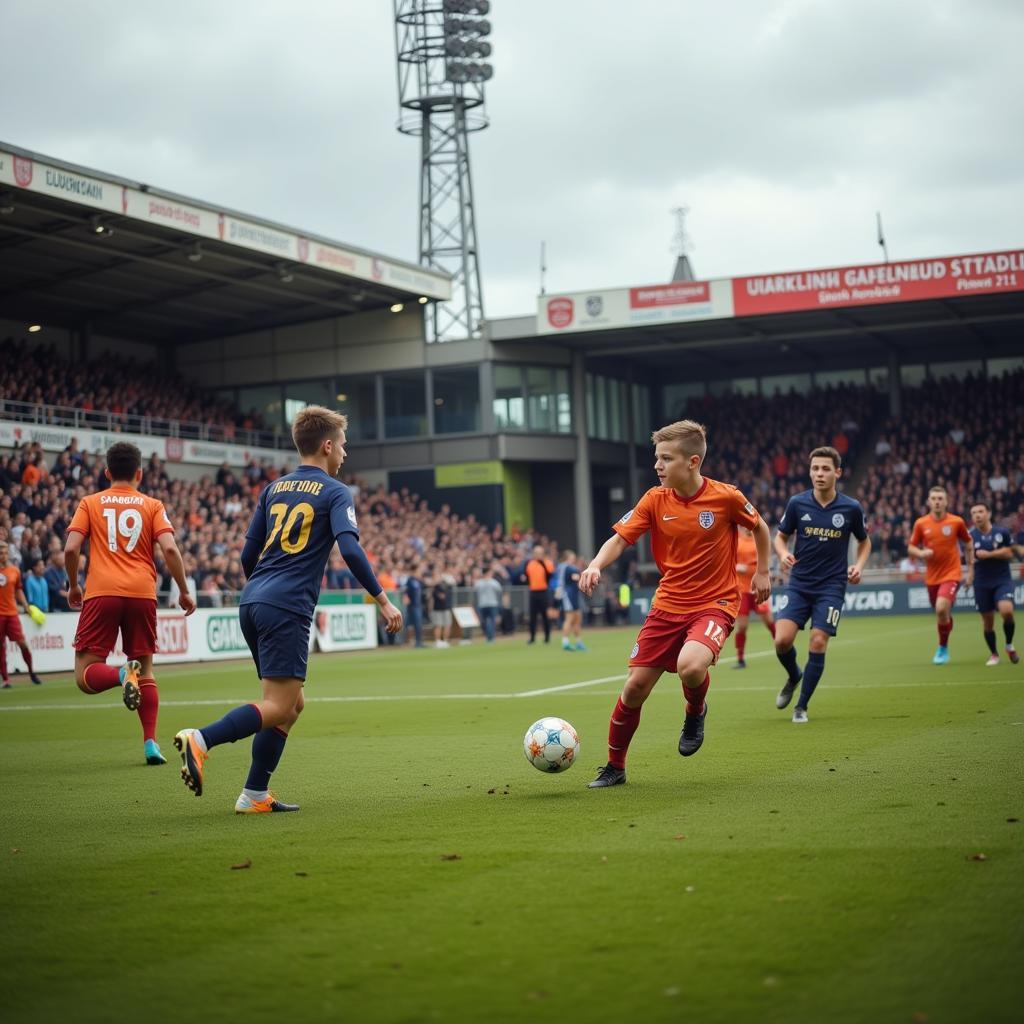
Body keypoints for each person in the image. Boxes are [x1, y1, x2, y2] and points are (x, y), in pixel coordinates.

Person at [173, 407, 402, 814]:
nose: (345, 454)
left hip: (254, 599)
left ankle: (255, 794)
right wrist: (382, 599)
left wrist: (260, 589)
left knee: (291, 704)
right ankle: (201, 739)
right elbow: (349, 549)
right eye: (344, 446)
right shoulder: (335, 492)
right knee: (278, 705)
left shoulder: (273, 488)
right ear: (328, 445)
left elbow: (248, 553)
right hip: (285, 606)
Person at [580, 419, 770, 788]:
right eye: (657, 457)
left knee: (690, 666)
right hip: (667, 605)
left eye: (666, 458)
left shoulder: (726, 496)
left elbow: (760, 527)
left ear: (693, 462)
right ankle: (615, 767)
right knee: (634, 687)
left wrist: (763, 572)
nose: (658, 465)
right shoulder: (654, 499)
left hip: (715, 602)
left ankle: (695, 711)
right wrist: (594, 564)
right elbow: (619, 540)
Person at [64, 442, 196, 763]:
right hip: (142, 593)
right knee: (146, 670)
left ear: (107, 472)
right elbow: (170, 550)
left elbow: (70, 549)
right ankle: (151, 743)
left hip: (102, 592)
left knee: (85, 675)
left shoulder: (89, 503)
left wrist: (73, 585)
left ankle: (122, 675)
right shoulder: (152, 505)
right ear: (139, 473)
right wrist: (182, 589)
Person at [772, 447, 871, 722]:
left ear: (837, 472)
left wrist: (858, 566)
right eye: (815, 468)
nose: (819, 474)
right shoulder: (797, 503)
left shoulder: (851, 508)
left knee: (817, 641)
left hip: (832, 586)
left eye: (825, 469)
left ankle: (801, 706)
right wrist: (783, 554)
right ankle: (794, 676)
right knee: (781, 640)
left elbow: (865, 542)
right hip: (799, 584)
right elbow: (779, 537)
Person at [907, 486, 973, 665]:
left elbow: (968, 544)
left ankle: (943, 647)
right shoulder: (921, 523)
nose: (937, 501)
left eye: (940, 498)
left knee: (941, 609)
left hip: (952, 573)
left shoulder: (956, 522)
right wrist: (921, 554)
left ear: (946, 501)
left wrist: (970, 571)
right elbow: (911, 547)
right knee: (941, 614)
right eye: (934, 498)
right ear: (929, 501)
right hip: (932, 577)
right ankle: (947, 624)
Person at [968, 501, 1018, 666]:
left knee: (1007, 611)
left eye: (980, 511)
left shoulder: (1001, 532)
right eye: (974, 513)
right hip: (981, 582)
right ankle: (994, 654)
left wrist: (989, 554)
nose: (977, 515)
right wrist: (969, 574)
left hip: (1001, 579)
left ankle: (1009, 645)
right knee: (988, 622)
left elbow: (1009, 552)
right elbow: (968, 559)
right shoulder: (969, 536)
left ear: (988, 513)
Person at [0, 542, 44, 687]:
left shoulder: (14, 570)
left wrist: (25, 606)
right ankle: (6, 679)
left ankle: (32, 673)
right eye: (1, 552)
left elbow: (18, 589)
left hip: (12, 613)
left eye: (5, 551)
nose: (3, 554)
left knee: (22, 643)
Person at [732, 526, 775, 668]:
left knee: (769, 621)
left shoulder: (759, 537)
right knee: (742, 626)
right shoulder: (736, 537)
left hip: (757, 587)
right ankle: (740, 659)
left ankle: (783, 649)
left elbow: (765, 559)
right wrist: (736, 566)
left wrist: (752, 568)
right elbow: (728, 556)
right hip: (741, 589)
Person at [523, 544, 555, 644]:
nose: (537, 555)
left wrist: (543, 564)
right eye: (536, 553)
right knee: (532, 616)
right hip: (533, 592)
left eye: (539, 553)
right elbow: (527, 577)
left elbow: (550, 576)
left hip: (543, 592)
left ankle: (547, 637)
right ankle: (532, 638)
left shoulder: (547, 563)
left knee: (545, 615)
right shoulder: (530, 564)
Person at [556, 551, 585, 651]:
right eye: (572, 557)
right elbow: (576, 577)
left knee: (577, 618)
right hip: (569, 595)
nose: (574, 559)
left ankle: (578, 642)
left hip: (571, 595)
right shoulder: (568, 567)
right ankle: (565, 642)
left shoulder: (561, 567)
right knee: (570, 618)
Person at [473, 566, 503, 643]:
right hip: (492, 604)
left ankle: (489, 636)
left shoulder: (478, 583)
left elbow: (475, 593)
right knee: (491, 621)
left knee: (485, 621)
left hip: (483, 604)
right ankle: (491, 637)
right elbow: (499, 593)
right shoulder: (494, 583)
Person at [430, 573, 453, 648]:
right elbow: (440, 596)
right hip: (438, 609)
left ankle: (445, 641)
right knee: (438, 625)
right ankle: (438, 641)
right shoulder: (435, 588)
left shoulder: (446, 585)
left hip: (446, 608)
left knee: (447, 625)